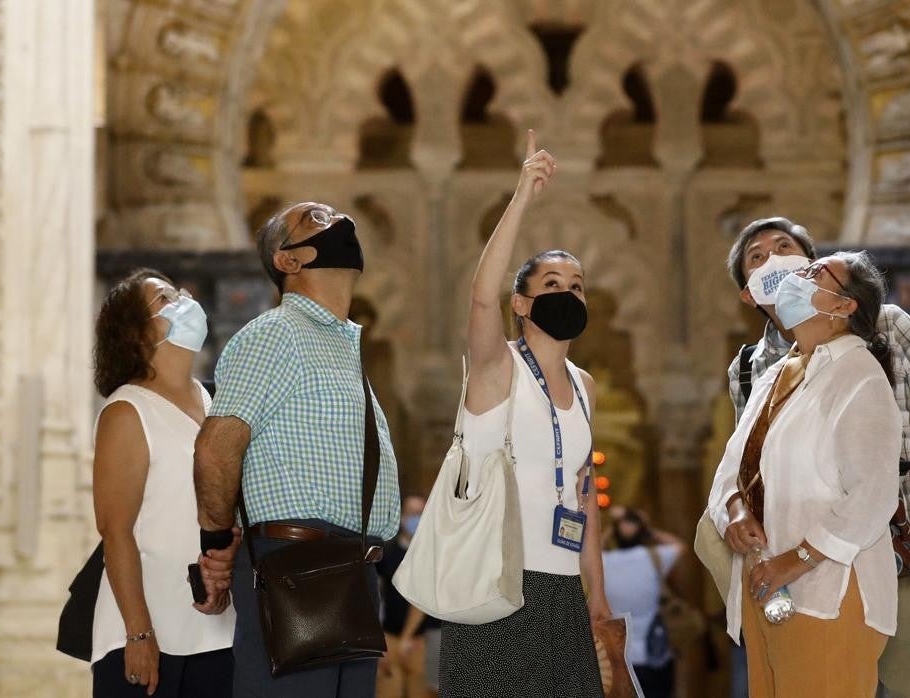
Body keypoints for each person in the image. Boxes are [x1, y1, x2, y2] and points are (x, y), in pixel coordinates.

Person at [724, 218, 910, 697]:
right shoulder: (751, 371)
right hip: (799, 577)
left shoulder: (884, 325)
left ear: (811, 263)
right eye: (757, 258)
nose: (775, 261)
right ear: (748, 293)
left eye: (786, 248)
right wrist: (738, 512)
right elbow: (746, 471)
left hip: (907, 547)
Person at [191, 202, 402, 698]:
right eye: (316, 219)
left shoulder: (339, 346)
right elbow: (216, 450)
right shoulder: (274, 334)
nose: (340, 222)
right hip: (296, 570)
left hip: (350, 572)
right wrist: (216, 544)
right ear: (288, 260)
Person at [437, 130, 610, 697]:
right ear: (522, 303)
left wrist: (598, 595)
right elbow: (480, 298)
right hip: (495, 584)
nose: (568, 293)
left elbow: (584, 496)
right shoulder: (497, 368)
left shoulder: (585, 386)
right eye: (552, 283)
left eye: (577, 286)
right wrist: (522, 196)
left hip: (563, 594)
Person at [708, 252, 902, 697]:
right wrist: (734, 512)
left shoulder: (859, 375)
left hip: (829, 591)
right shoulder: (776, 374)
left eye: (814, 273)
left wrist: (797, 561)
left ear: (843, 306)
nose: (796, 277)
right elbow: (731, 469)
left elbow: (872, 495)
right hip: (765, 584)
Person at [90, 269, 238, 697]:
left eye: (179, 291)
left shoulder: (214, 402)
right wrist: (138, 634)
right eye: (165, 298)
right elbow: (115, 531)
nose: (184, 299)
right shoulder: (127, 411)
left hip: (216, 631)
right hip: (145, 633)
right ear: (136, 334)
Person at [601, 507, 685, 698]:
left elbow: (590, 552)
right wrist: (646, 527)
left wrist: (613, 528)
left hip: (618, 657)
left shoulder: (604, 563)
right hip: (656, 652)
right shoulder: (654, 558)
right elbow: (679, 545)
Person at [376, 496, 436, 698]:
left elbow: (422, 599)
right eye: (411, 513)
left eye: (420, 513)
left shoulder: (431, 554)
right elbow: (375, 596)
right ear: (402, 517)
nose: (415, 518)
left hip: (421, 640)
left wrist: (409, 638)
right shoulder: (386, 552)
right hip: (389, 638)